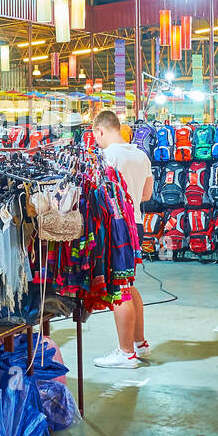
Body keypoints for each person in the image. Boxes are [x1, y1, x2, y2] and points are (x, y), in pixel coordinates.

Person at [91, 109, 154, 369]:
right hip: (136, 224)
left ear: (100, 130)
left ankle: (125, 353)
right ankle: (140, 343)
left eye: (95, 135)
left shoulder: (107, 156)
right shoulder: (140, 155)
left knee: (118, 288)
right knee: (128, 284)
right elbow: (147, 194)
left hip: (117, 227)